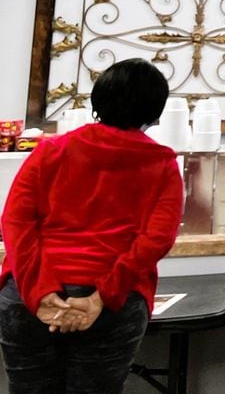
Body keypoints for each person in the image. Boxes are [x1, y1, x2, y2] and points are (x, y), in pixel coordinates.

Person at [0, 59, 183, 394]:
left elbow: (15, 221)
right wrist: (103, 295)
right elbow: (157, 239)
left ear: (98, 100)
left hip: (28, 300)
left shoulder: (51, 150)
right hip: (110, 307)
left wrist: (40, 293)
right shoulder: (162, 164)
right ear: (155, 109)